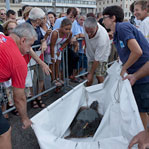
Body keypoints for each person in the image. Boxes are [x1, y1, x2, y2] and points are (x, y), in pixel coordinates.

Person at [102, 5, 149, 129]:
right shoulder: (119, 31)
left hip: (142, 74)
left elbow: (137, 51)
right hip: (137, 73)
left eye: (105, 18)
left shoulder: (122, 28)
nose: (102, 20)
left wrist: (124, 67)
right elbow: (129, 49)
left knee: (141, 109)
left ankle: (143, 138)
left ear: (113, 18)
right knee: (138, 107)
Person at [0, 22, 37, 149]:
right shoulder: (19, 62)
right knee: (4, 132)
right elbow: (19, 98)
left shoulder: (1, 37)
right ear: (22, 40)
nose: (29, 50)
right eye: (30, 45)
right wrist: (25, 119)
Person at [84, 17, 111, 86]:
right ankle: (88, 92)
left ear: (96, 27)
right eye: (87, 31)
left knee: (99, 75)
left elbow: (97, 59)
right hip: (91, 55)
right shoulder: (86, 27)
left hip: (101, 57)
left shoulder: (102, 37)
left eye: (91, 32)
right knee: (89, 76)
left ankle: (102, 92)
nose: (89, 34)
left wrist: (91, 73)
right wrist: (86, 48)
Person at [46, 18, 72, 86]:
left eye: (69, 29)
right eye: (66, 29)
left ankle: (57, 78)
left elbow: (66, 42)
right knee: (52, 63)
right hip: (51, 47)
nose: (68, 31)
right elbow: (52, 45)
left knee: (58, 63)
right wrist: (52, 57)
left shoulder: (70, 33)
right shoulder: (55, 33)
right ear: (61, 27)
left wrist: (60, 49)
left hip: (58, 47)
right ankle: (53, 79)